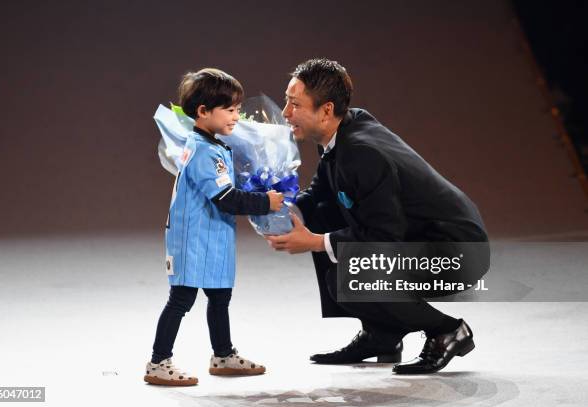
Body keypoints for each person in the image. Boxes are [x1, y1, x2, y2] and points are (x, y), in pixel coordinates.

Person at [265, 58, 489, 375]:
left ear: (326, 110)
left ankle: (448, 330)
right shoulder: (342, 130)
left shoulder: (361, 152)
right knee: (320, 213)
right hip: (421, 238)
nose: (286, 113)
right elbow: (321, 191)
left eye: (294, 104)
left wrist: (314, 242)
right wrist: (287, 212)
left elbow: (383, 237)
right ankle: (381, 335)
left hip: (456, 251)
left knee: (348, 278)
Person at [144, 68, 284, 386]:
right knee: (181, 299)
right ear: (204, 111)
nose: (237, 116)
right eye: (230, 109)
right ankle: (158, 361)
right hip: (194, 239)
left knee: (220, 297)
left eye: (238, 109)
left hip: (212, 237)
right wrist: (267, 202)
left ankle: (222, 354)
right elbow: (226, 198)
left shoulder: (212, 145)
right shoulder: (205, 151)